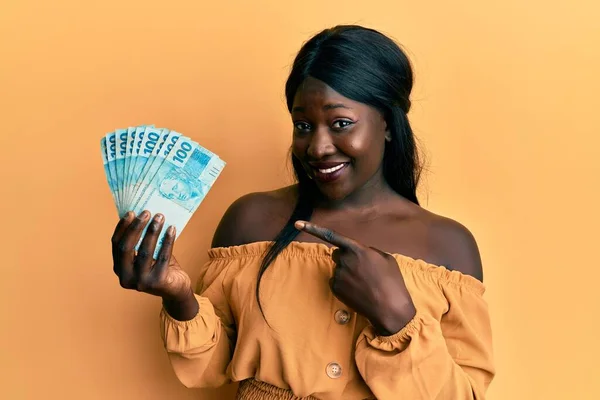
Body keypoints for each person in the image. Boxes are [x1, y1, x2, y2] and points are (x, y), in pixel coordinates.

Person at [111, 25, 495, 400]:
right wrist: (178, 296)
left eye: (341, 123)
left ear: (389, 124)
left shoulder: (448, 246)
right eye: (303, 126)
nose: (317, 147)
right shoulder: (249, 219)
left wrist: (396, 317)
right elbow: (213, 366)